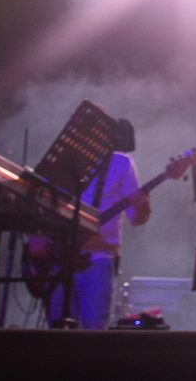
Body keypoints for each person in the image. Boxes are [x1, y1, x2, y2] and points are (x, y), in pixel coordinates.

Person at [44, 124, 151, 330]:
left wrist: (143, 207)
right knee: (56, 328)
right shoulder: (66, 161)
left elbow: (136, 219)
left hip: (98, 258)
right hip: (59, 256)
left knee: (94, 328)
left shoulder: (122, 163)